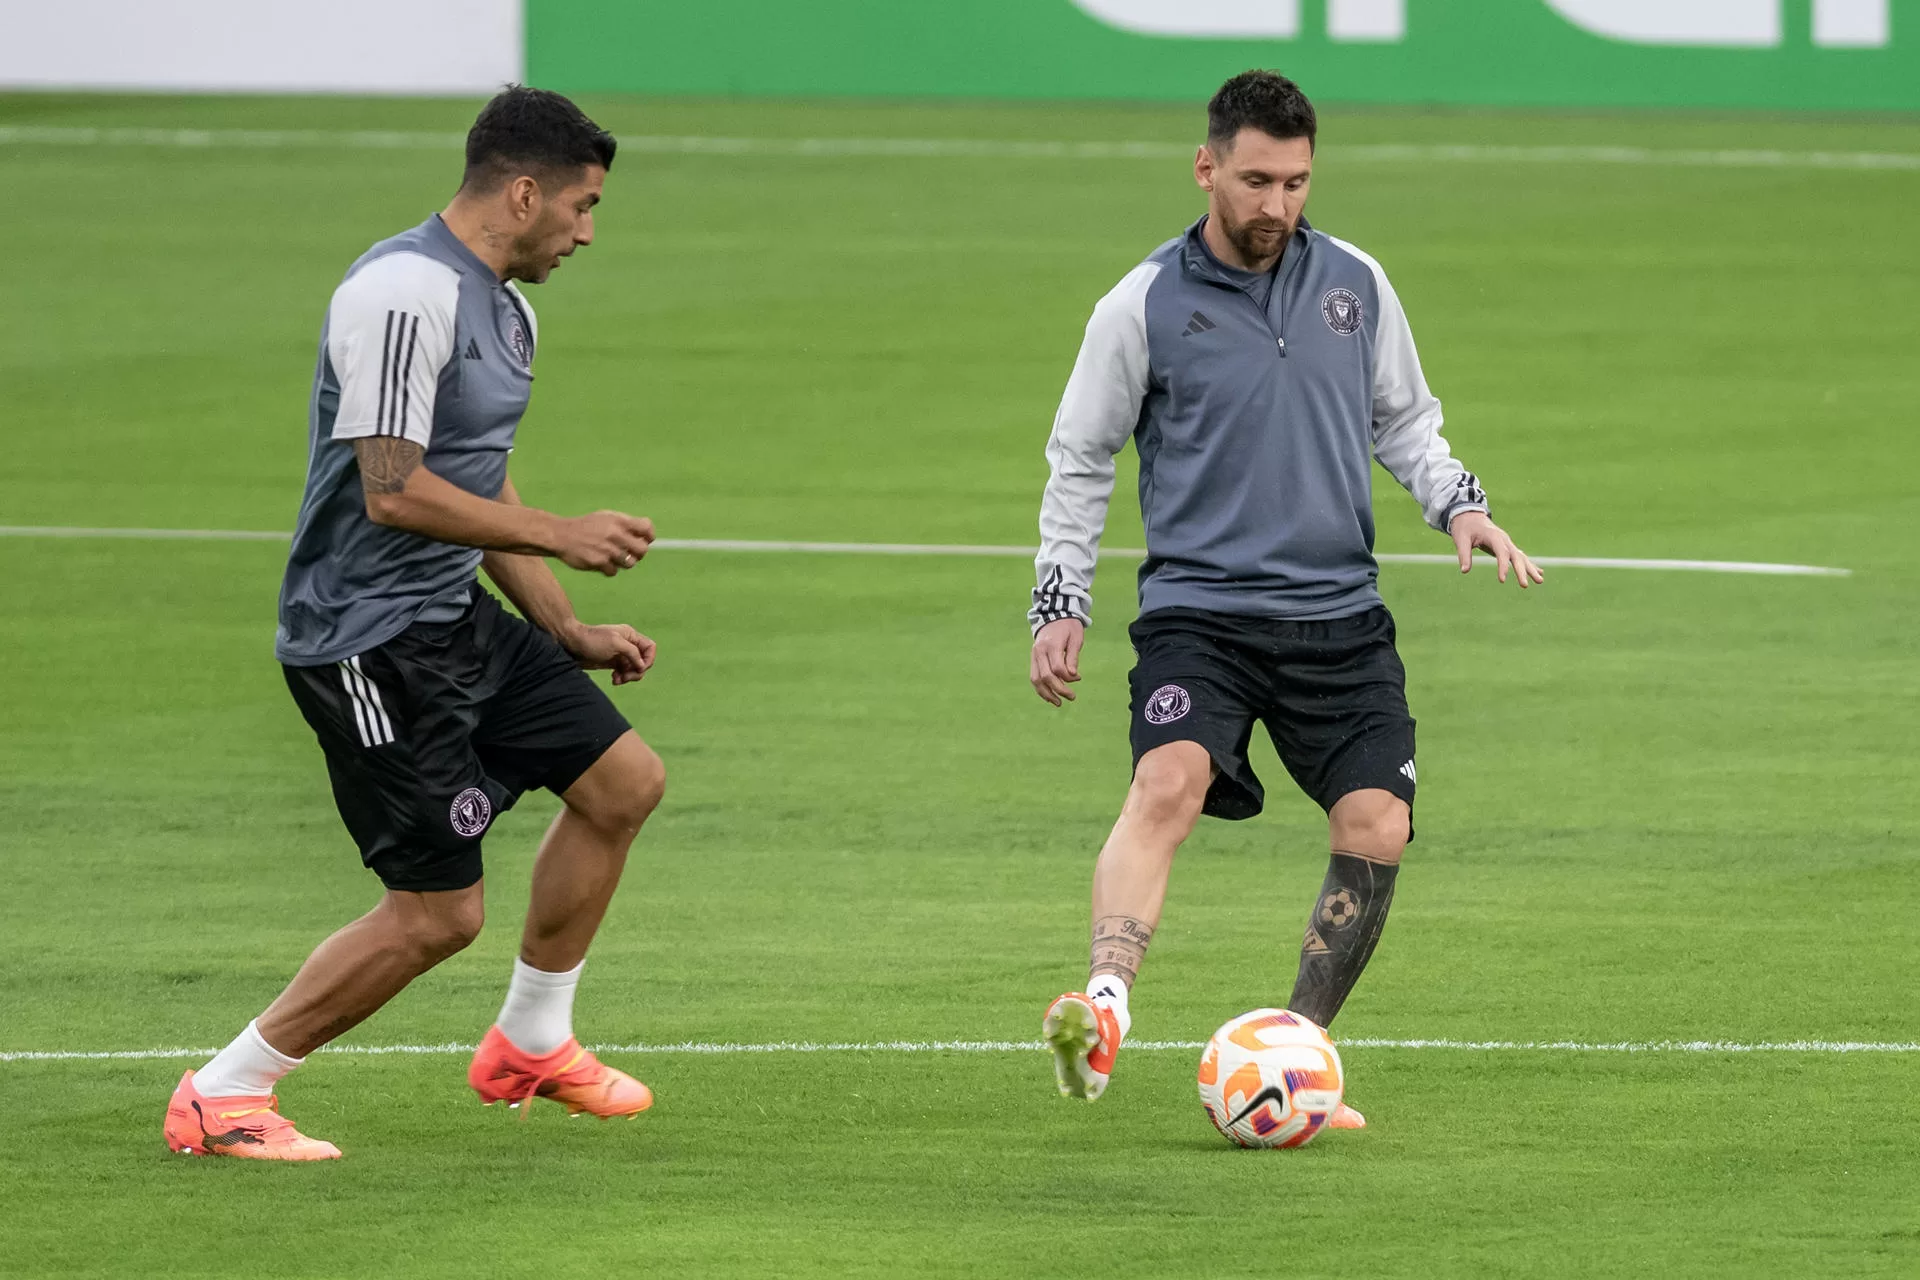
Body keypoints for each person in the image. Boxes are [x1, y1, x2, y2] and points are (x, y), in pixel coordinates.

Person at [1030, 70, 1543, 1129]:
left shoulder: (1356, 283)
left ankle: (1298, 1051)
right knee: (1166, 783)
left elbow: (1404, 417)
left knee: (1378, 822)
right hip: (1201, 611)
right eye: (1257, 180)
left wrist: (1461, 505)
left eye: (1297, 183)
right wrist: (1058, 599)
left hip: (1338, 614)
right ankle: (1104, 1007)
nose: (1277, 205)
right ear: (1207, 166)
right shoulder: (1141, 304)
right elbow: (1079, 458)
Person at [164, 86, 667, 1160]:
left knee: (623, 782)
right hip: (366, 639)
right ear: (521, 192)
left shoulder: (511, 307)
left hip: (453, 613)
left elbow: (474, 485)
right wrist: (561, 530)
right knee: (438, 913)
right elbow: (393, 487)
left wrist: (566, 623)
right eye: (580, 206)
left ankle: (531, 1039)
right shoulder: (401, 291)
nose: (587, 231)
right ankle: (224, 1090)